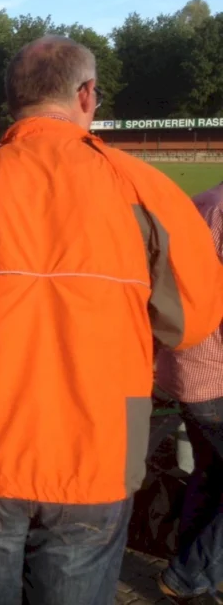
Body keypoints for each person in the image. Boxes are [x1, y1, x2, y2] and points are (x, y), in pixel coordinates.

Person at [0, 35, 223, 605]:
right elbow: (194, 322)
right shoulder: (145, 188)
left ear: (12, 100)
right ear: (86, 96)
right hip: (106, 445)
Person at [156, 181, 223, 604]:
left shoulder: (204, 200)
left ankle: (196, 572)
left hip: (185, 364)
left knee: (213, 473)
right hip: (214, 372)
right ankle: (188, 574)